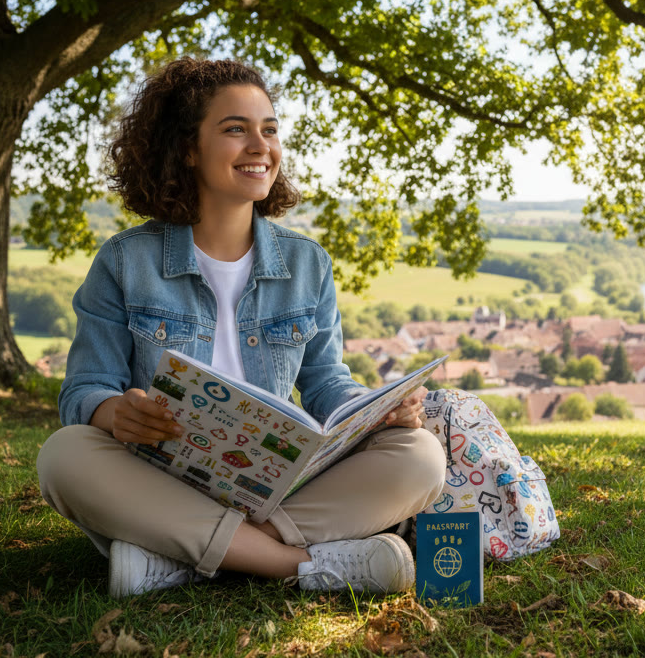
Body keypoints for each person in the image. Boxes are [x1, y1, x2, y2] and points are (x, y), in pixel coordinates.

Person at [36, 58, 446, 598]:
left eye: (269, 130)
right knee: (64, 455)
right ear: (187, 148)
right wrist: (116, 414)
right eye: (236, 129)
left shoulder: (308, 264)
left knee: (420, 456)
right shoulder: (124, 261)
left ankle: (178, 559)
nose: (261, 145)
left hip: (273, 488)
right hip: (162, 481)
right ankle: (298, 564)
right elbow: (84, 390)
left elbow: (326, 385)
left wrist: (377, 411)